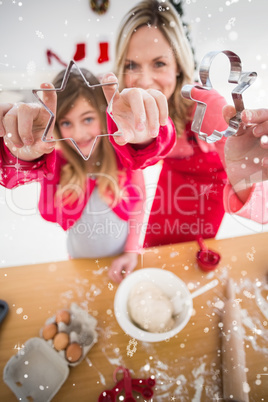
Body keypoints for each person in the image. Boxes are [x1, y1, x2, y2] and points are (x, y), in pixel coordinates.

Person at [107, 0, 268, 248]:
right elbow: (138, 155)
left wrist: (244, 179)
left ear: (178, 66)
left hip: (206, 191)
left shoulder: (207, 108)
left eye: (159, 63)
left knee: (186, 261)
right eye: (132, 65)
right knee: (151, 251)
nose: (145, 80)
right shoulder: (126, 106)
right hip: (171, 181)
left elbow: (262, 211)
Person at [0, 67, 175, 283]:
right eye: (66, 123)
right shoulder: (56, 162)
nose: (79, 134)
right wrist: (24, 156)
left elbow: (137, 207)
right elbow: (46, 211)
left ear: (103, 115)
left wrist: (131, 251)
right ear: (56, 125)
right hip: (79, 259)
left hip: (122, 257)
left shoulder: (123, 155)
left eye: (88, 119)